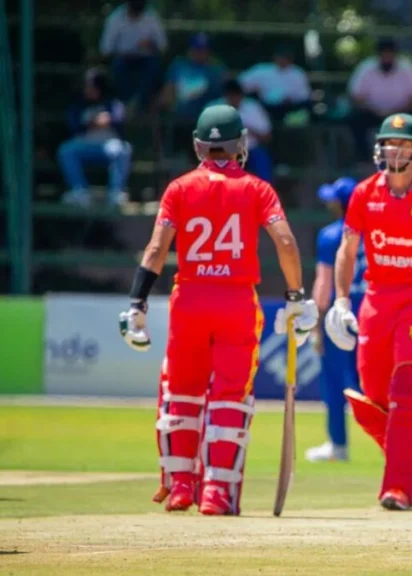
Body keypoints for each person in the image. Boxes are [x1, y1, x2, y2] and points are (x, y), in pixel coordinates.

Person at [116, 104, 318, 516]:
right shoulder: (257, 188)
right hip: (236, 301)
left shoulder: (178, 188)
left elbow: (156, 250)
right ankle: (217, 492)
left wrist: (137, 301)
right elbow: (285, 242)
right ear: (240, 144)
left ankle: (180, 486)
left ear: (199, 145)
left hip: (189, 299)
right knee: (229, 396)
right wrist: (297, 296)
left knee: (182, 393)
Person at [323, 113, 412, 510]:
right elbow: (347, 250)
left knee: (410, 388)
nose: (395, 151)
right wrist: (342, 301)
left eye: (403, 145)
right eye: (388, 144)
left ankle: (398, 486)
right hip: (376, 300)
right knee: (373, 397)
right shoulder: (365, 194)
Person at [305, 177, 367, 463]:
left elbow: (323, 286)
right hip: (372, 315)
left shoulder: (331, 235)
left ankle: (337, 445)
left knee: (334, 383)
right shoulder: (377, 231)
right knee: (374, 386)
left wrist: (317, 326)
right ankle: (401, 445)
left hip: (338, 319)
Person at [58, 68, 132, 208]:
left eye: (92, 86)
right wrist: (91, 123)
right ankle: (80, 192)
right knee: (66, 150)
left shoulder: (112, 104)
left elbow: (121, 120)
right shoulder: (79, 104)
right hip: (85, 144)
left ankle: (116, 193)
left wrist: (109, 120)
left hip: (109, 144)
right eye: (87, 86)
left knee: (123, 150)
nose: (89, 90)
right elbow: (73, 125)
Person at [346, 37, 412, 158]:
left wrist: (398, 111)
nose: (387, 57)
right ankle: (362, 159)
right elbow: (356, 96)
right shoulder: (366, 68)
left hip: (403, 114)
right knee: (355, 120)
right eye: (384, 53)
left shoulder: (406, 67)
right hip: (373, 113)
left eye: (389, 53)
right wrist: (375, 111)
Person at [210, 79, 273, 182]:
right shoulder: (214, 108)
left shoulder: (253, 107)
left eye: (237, 96)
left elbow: (267, 136)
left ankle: (263, 195)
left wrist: (247, 130)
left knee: (263, 164)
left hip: (251, 148)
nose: (234, 100)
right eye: (231, 97)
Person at [160, 33, 225, 122]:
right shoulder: (179, 65)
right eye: (197, 49)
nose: (201, 53)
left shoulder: (216, 69)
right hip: (180, 116)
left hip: (207, 118)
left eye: (204, 49)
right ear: (190, 49)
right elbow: (168, 89)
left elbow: (224, 95)